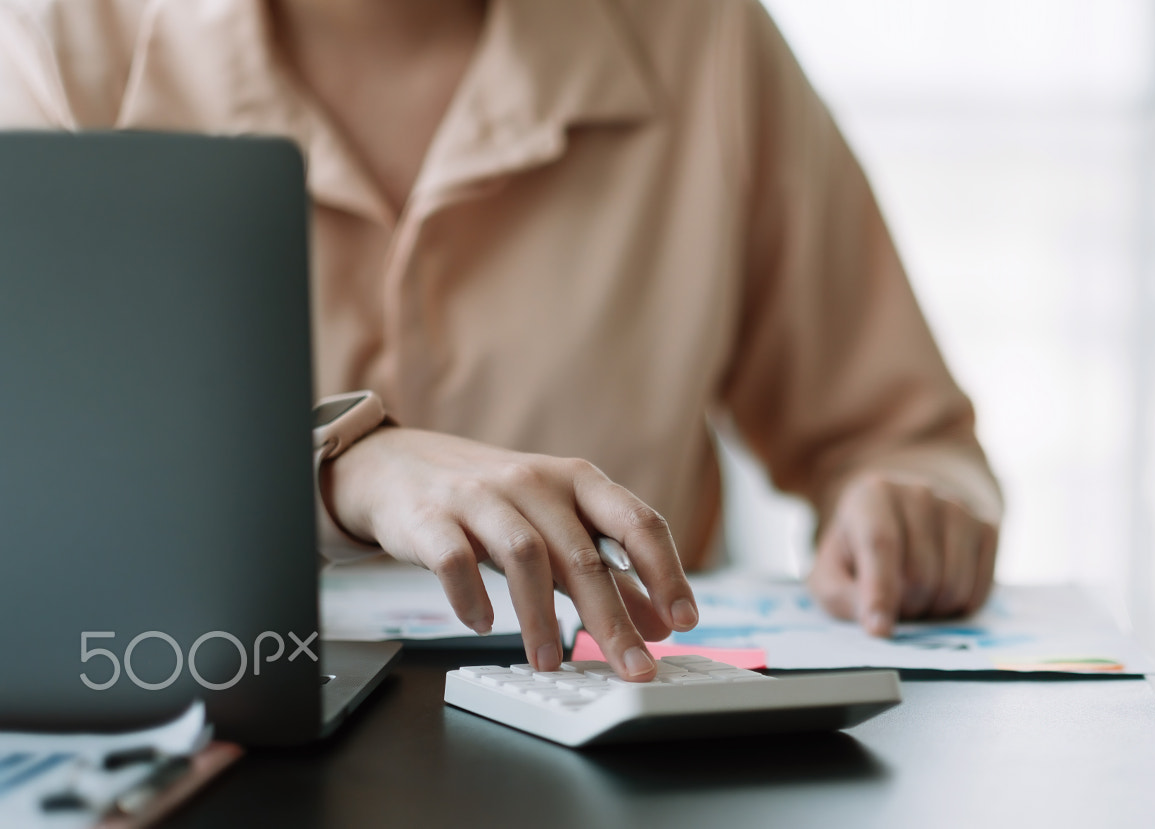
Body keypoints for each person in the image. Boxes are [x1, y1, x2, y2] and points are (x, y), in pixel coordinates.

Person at [0, 0, 1002, 683]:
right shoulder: (56, 46)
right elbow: (37, 484)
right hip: (195, 738)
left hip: (630, 747)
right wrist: (341, 473)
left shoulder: (704, 37)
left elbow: (898, 436)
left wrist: (911, 504)